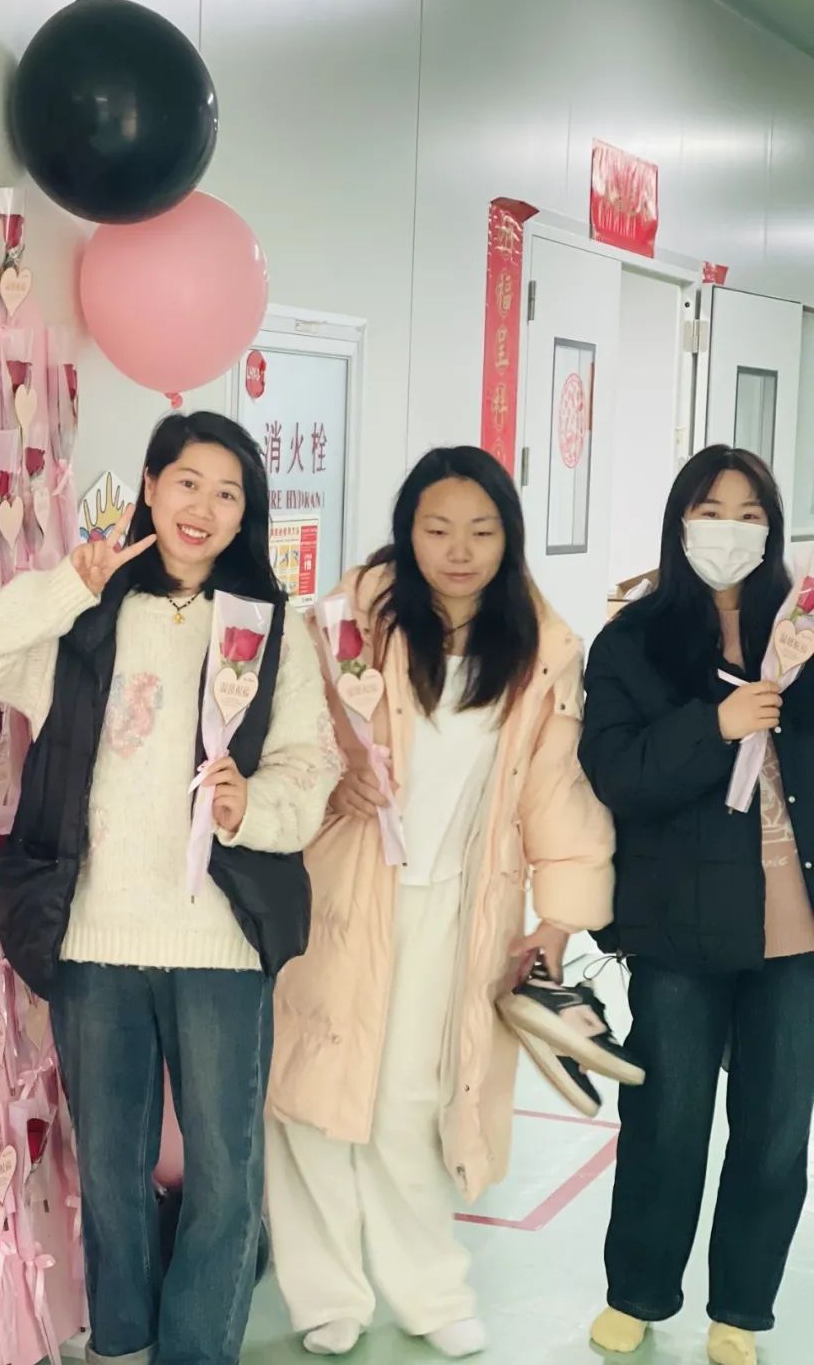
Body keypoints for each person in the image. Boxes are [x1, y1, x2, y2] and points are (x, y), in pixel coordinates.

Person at [0, 411, 340, 1365]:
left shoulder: (269, 631)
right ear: (150, 487)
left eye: (229, 493)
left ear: (246, 515)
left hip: (220, 943)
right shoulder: (85, 619)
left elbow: (312, 767)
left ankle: (195, 1352)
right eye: (187, 482)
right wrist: (66, 585)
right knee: (112, 1173)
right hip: (95, 939)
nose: (204, 507)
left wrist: (250, 807)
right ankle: (121, 1347)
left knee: (226, 1178)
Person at [264, 445, 615, 1359]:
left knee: (410, 1102)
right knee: (311, 1088)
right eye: (437, 528)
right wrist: (333, 777)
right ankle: (327, 1295)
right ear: (407, 531)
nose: (459, 550)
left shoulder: (539, 650)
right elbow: (289, 736)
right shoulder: (347, 622)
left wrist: (557, 916)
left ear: (509, 537)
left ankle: (430, 1290)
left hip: (457, 910)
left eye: (481, 530)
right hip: (342, 891)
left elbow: (554, 787)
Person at [579, 446, 814, 1365]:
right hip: (680, 921)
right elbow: (617, 773)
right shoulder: (633, 640)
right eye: (713, 509)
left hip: (794, 926)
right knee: (667, 1117)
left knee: (776, 1126)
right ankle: (638, 1290)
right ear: (680, 520)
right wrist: (715, 724)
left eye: (752, 513)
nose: (732, 528)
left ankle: (742, 1307)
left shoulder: (802, 626)